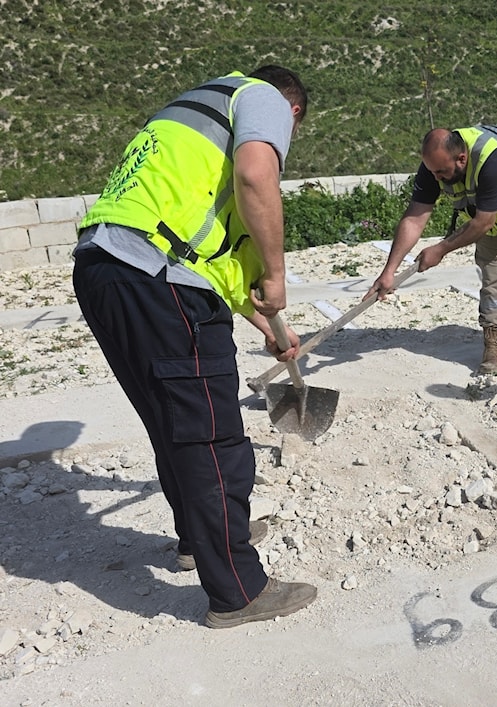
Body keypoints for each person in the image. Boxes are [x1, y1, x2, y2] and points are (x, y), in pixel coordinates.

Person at [72, 65, 319, 627]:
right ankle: (238, 590)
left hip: (106, 268)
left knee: (173, 422)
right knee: (211, 434)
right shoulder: (262, 99)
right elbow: (257, 179)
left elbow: (213, 260)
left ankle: (199, 540)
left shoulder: (190, 116)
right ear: (294, 111)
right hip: (158, 281)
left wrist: (270, 328)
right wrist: (277, 272)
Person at [366, 125, 497, 374]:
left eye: (441, 172)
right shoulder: (435, 165)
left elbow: (483, 221)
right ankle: (493, 344)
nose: (436, 178)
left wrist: (441, 249)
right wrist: (389, 271)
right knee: (493, 280)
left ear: (461, 159)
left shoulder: (494, 158)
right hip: (490, 221)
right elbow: (415, 218)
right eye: (432, 172)